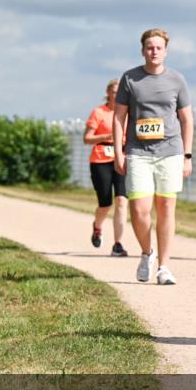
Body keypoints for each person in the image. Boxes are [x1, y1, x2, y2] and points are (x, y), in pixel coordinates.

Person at [113, 28, 194, 285]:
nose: (154, 51)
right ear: (142, 50)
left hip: (170, 151)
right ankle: (147, 253)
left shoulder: (177, 80)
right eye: (150, 47)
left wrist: (187, 156)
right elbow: (118, 118)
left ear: (166, 51)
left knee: (166, 207)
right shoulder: (130, 79)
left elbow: (186, 119)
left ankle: (164, 267)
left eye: (158, 47)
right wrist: (119, 151)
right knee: (139, 209)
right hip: (138, 152)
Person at [84, 79, 130, 257]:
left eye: (121, 92)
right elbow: (87, 138)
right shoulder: (98, 113)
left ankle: (118, 244)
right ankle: (97, 226)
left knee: (121, 200)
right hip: (100, 160)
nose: (117, 95)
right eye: (114, 92)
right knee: (105, 203)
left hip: (121, 158)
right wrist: (108, 135)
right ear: (108, 93)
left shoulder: (128, 112)